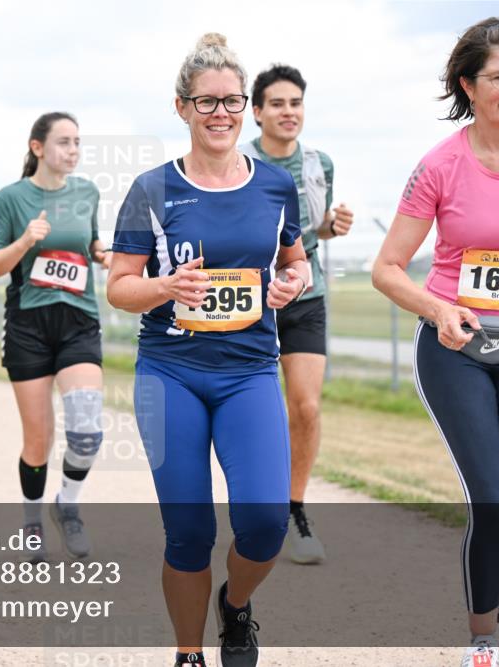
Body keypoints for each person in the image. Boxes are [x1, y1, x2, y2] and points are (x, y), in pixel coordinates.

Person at [372, 17, 499, 667]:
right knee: (492, 495)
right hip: (457, 349)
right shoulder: (440, 166)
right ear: (469, 84)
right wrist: (437, 306)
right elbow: (388, 267)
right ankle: (482, 633)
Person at [107, 33, 310, 667]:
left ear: (245, 108)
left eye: (232, 101)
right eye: (206, 102)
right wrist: (165, 286)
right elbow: (118, 287)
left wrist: (290, 283)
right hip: (171, 372)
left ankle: (237, 605)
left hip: (249, 372)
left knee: (264, 523)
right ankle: (189, 653)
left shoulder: (276, 187)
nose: (220, 114)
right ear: (181, 108)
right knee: (189, 532)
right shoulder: (151, 189)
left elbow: (296, 261)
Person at [0, 111, 112, 563]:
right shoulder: (11, 199)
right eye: (63, 142)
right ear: (38, 148)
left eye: (77, 142)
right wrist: (23, 242)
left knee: (87, 430)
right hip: (28, 327)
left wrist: (101, 253)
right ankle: (32, 520)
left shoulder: (87, 192)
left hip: (78, 321)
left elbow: (90, 242)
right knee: (38, 440)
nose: (72, 151)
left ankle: (68, 505)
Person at [239, 64, 355, 564]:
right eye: (279, 104)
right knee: (254, 413)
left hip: (305, 296)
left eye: (296, 103)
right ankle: (255, 508)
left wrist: (332, 225)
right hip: (249, 300)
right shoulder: (237, 161)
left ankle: (295, 510)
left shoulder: (319, 163)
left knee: (304, 408)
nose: (289, 112)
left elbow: (309, 234)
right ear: (258, 111)